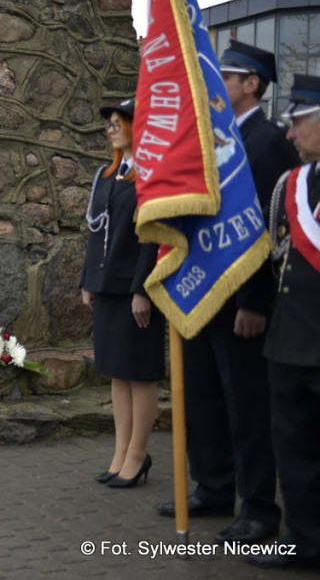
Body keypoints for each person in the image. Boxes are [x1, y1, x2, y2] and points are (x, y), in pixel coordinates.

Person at [156, 42, 299, 541]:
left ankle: (258, 507)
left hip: (241, 301)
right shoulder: (215, 142)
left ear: (252, 84)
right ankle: (213, 485)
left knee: (248, 408)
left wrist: (253, 302)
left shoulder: (268, 141)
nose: (219, 83)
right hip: (202, 294)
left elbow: (269, 229)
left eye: (229, 75)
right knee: (204, 399)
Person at [245, 74, 320, 570]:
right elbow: (279, 258)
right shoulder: (293, 183)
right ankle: (304, 537)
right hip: (290, 341)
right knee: (292, 449)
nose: (289, 135)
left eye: (300, 123)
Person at [80, 99, 164, 488]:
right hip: (108, 286)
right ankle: (120, 453)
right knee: (117, 371)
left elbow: (152, 239)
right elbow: (96, 233)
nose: (111, 129)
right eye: (109, 123)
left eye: (118, 122)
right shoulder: (107, 175)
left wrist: (142, 290)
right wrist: (88, 281)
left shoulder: (151, 176)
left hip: (136, 288)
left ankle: (138, 455)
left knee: (140, 372)